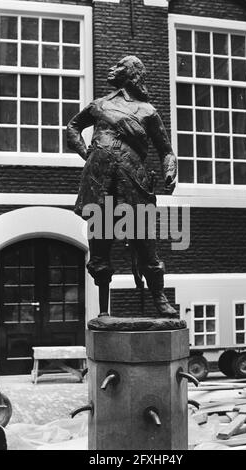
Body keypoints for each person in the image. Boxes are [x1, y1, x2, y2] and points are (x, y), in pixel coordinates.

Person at [67, 56, 178, 317]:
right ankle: (103, 309)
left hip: (134, 180)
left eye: (119, 66)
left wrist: (170, 171)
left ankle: (159, 299)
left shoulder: (147, 111)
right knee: (100, 245)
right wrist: (87, 154)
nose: (112, 68)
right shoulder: (99, 105)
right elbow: (72, 127)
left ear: (132, 75)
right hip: (100, 181)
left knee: (145, 242)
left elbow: (166, 151)